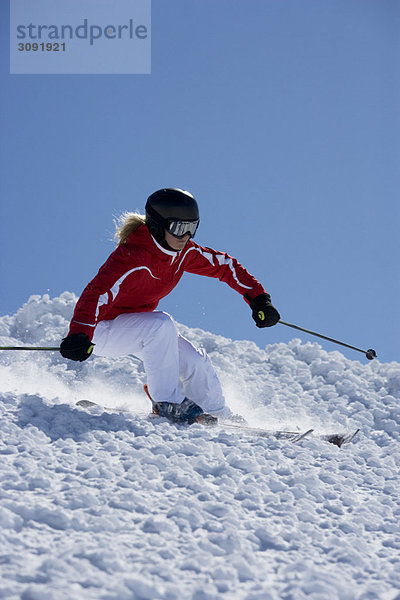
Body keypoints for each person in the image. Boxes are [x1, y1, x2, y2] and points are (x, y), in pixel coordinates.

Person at [60, 188, 280, 424]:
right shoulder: (132, 257)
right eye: (178, 228)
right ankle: (168, 403)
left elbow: (225, 266)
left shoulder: (184, 253)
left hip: (141, 328)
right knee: (161, 325)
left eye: (191, 228)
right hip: (100, 330)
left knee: (195, 360)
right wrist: (80, 334)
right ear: (157, 225)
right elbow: (96, 294)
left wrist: (259, 299)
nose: (185, 236)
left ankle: (217, 415)